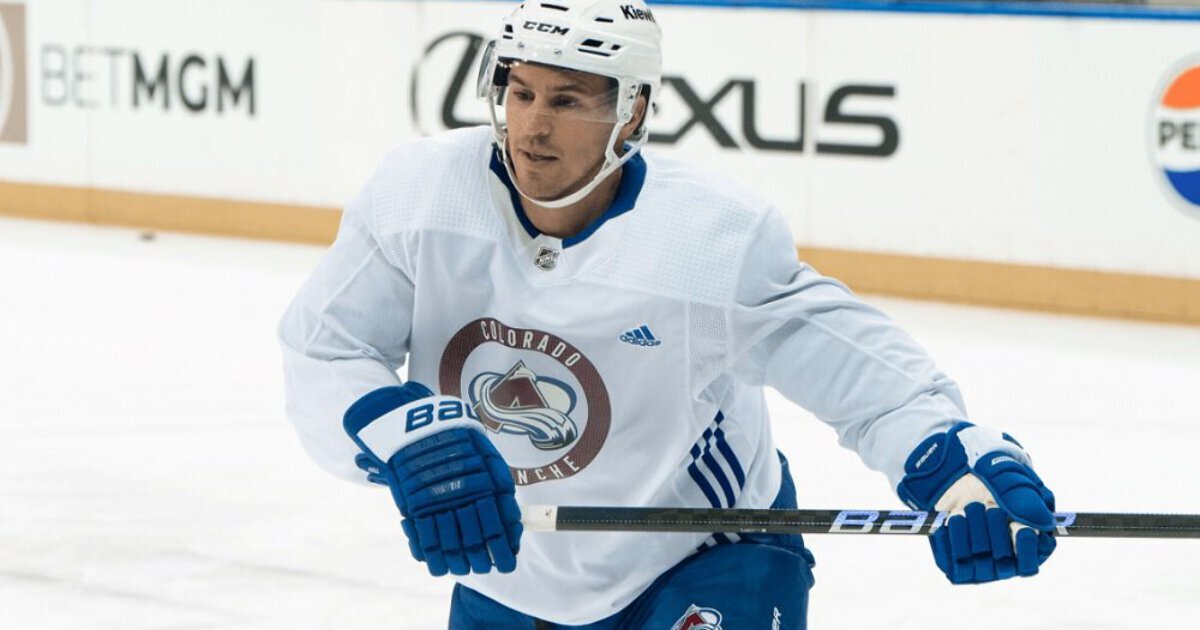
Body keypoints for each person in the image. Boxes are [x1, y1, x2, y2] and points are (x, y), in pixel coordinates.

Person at [278, 0, 1058, 627]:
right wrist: (407, 438)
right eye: (520, 92)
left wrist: (954, 462)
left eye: (567, 100)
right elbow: (324, 350)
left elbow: (862, 376)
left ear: (632, 111)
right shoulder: (419, 195)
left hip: (705, 557)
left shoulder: (708, 241)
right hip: (509, 566)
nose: (532, 127)